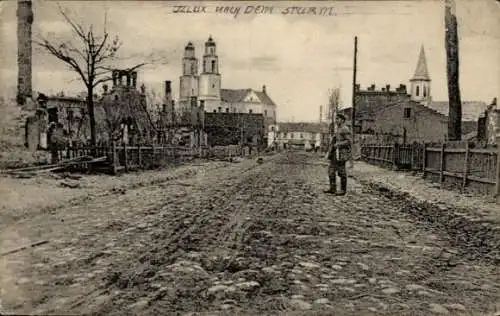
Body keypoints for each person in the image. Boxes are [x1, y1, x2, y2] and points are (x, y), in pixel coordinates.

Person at [324, 114, 352, 195]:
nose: (336, 120)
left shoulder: (345, 129)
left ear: (342, 120)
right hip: (335, 154)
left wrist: (338, 144)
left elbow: (349, 141)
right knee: (331, 171)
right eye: (336, 119)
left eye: (338, 119)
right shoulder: (338, 129)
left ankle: (343, 190)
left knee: (341, 172)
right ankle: (332, 189)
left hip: (341, 154)